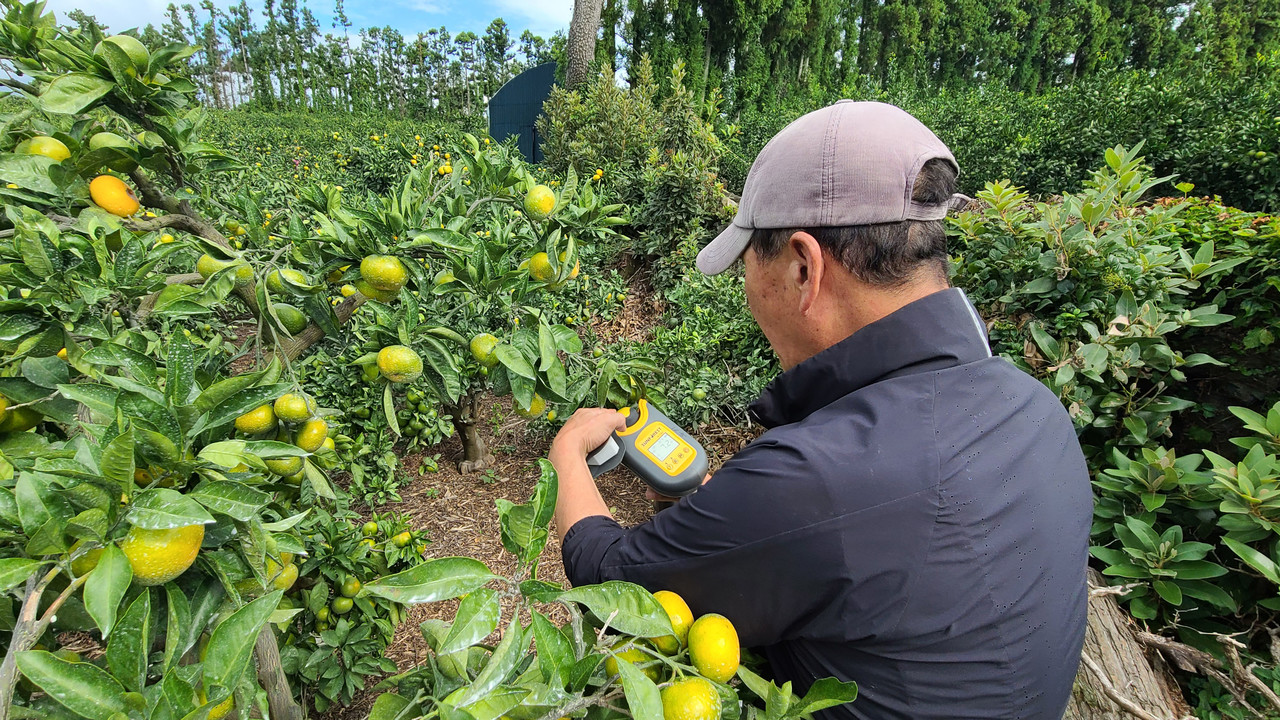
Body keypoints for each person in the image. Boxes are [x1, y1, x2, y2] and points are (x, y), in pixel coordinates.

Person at [549, 100, 1092, 720]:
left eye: (748, 264)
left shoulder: (818, 477)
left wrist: (567, 455)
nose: (747, 291)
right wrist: (720, 514)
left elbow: (616, 585)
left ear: (804, 268)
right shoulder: (1038, 412)